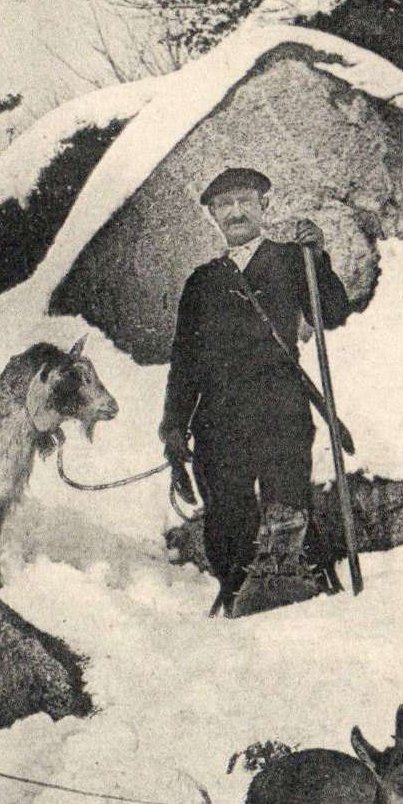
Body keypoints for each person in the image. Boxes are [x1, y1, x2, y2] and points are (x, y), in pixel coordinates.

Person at [159, 166, 352, 615]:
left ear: (264, 205)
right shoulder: (201, 282)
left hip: (280, 410)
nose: (236, 211)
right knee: (227, 525)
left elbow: (334, 313)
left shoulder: (291, 259)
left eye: (245, 200)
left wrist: (317, 257)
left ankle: (312, 597)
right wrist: (173, 427)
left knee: (289, 512)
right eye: (224, 205)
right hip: (218, 420)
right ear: (213, 215)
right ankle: (239, 606)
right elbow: (184, 363)